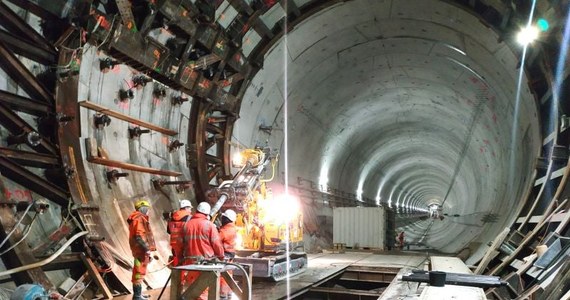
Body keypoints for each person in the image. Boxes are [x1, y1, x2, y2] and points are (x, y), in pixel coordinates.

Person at [181, 202, 224, 300]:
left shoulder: (186, 225)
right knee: (203, 290)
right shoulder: (209, 225)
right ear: (207, 213)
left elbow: (182, 244)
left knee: (192, 287)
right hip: (205, 263)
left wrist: (180, 257)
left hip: (190, 262)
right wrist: (221, 256)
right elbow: (216, 244)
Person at [127, 199, 156, 300]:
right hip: (140, 250)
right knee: (139, 272)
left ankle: (139, 294)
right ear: (143, 209)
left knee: (140, 272)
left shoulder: (138, 218)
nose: (149, 211)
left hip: (139, 249)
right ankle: (137, 296)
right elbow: (139, 236)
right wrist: (146, 248)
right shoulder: (139, 219)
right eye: (147, 209)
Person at [167, 199, 193, 266]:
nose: (191, 210)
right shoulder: (189, 218)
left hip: (174, 244)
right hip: (184, 244)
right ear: (186, 208)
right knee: (185, 263)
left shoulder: (172, 217)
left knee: (176, 262)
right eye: (190, 208)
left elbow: (169, 231)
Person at [218, 209, 237, 299]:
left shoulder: (224, 231)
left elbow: (216, 241)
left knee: (223, 275)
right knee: (229, 274)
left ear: (227, 219)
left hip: (224, 255)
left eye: (223, 218)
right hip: (230, 254)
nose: (222, 219)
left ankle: (222, 295)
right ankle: (228, 294)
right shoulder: (233, 228)